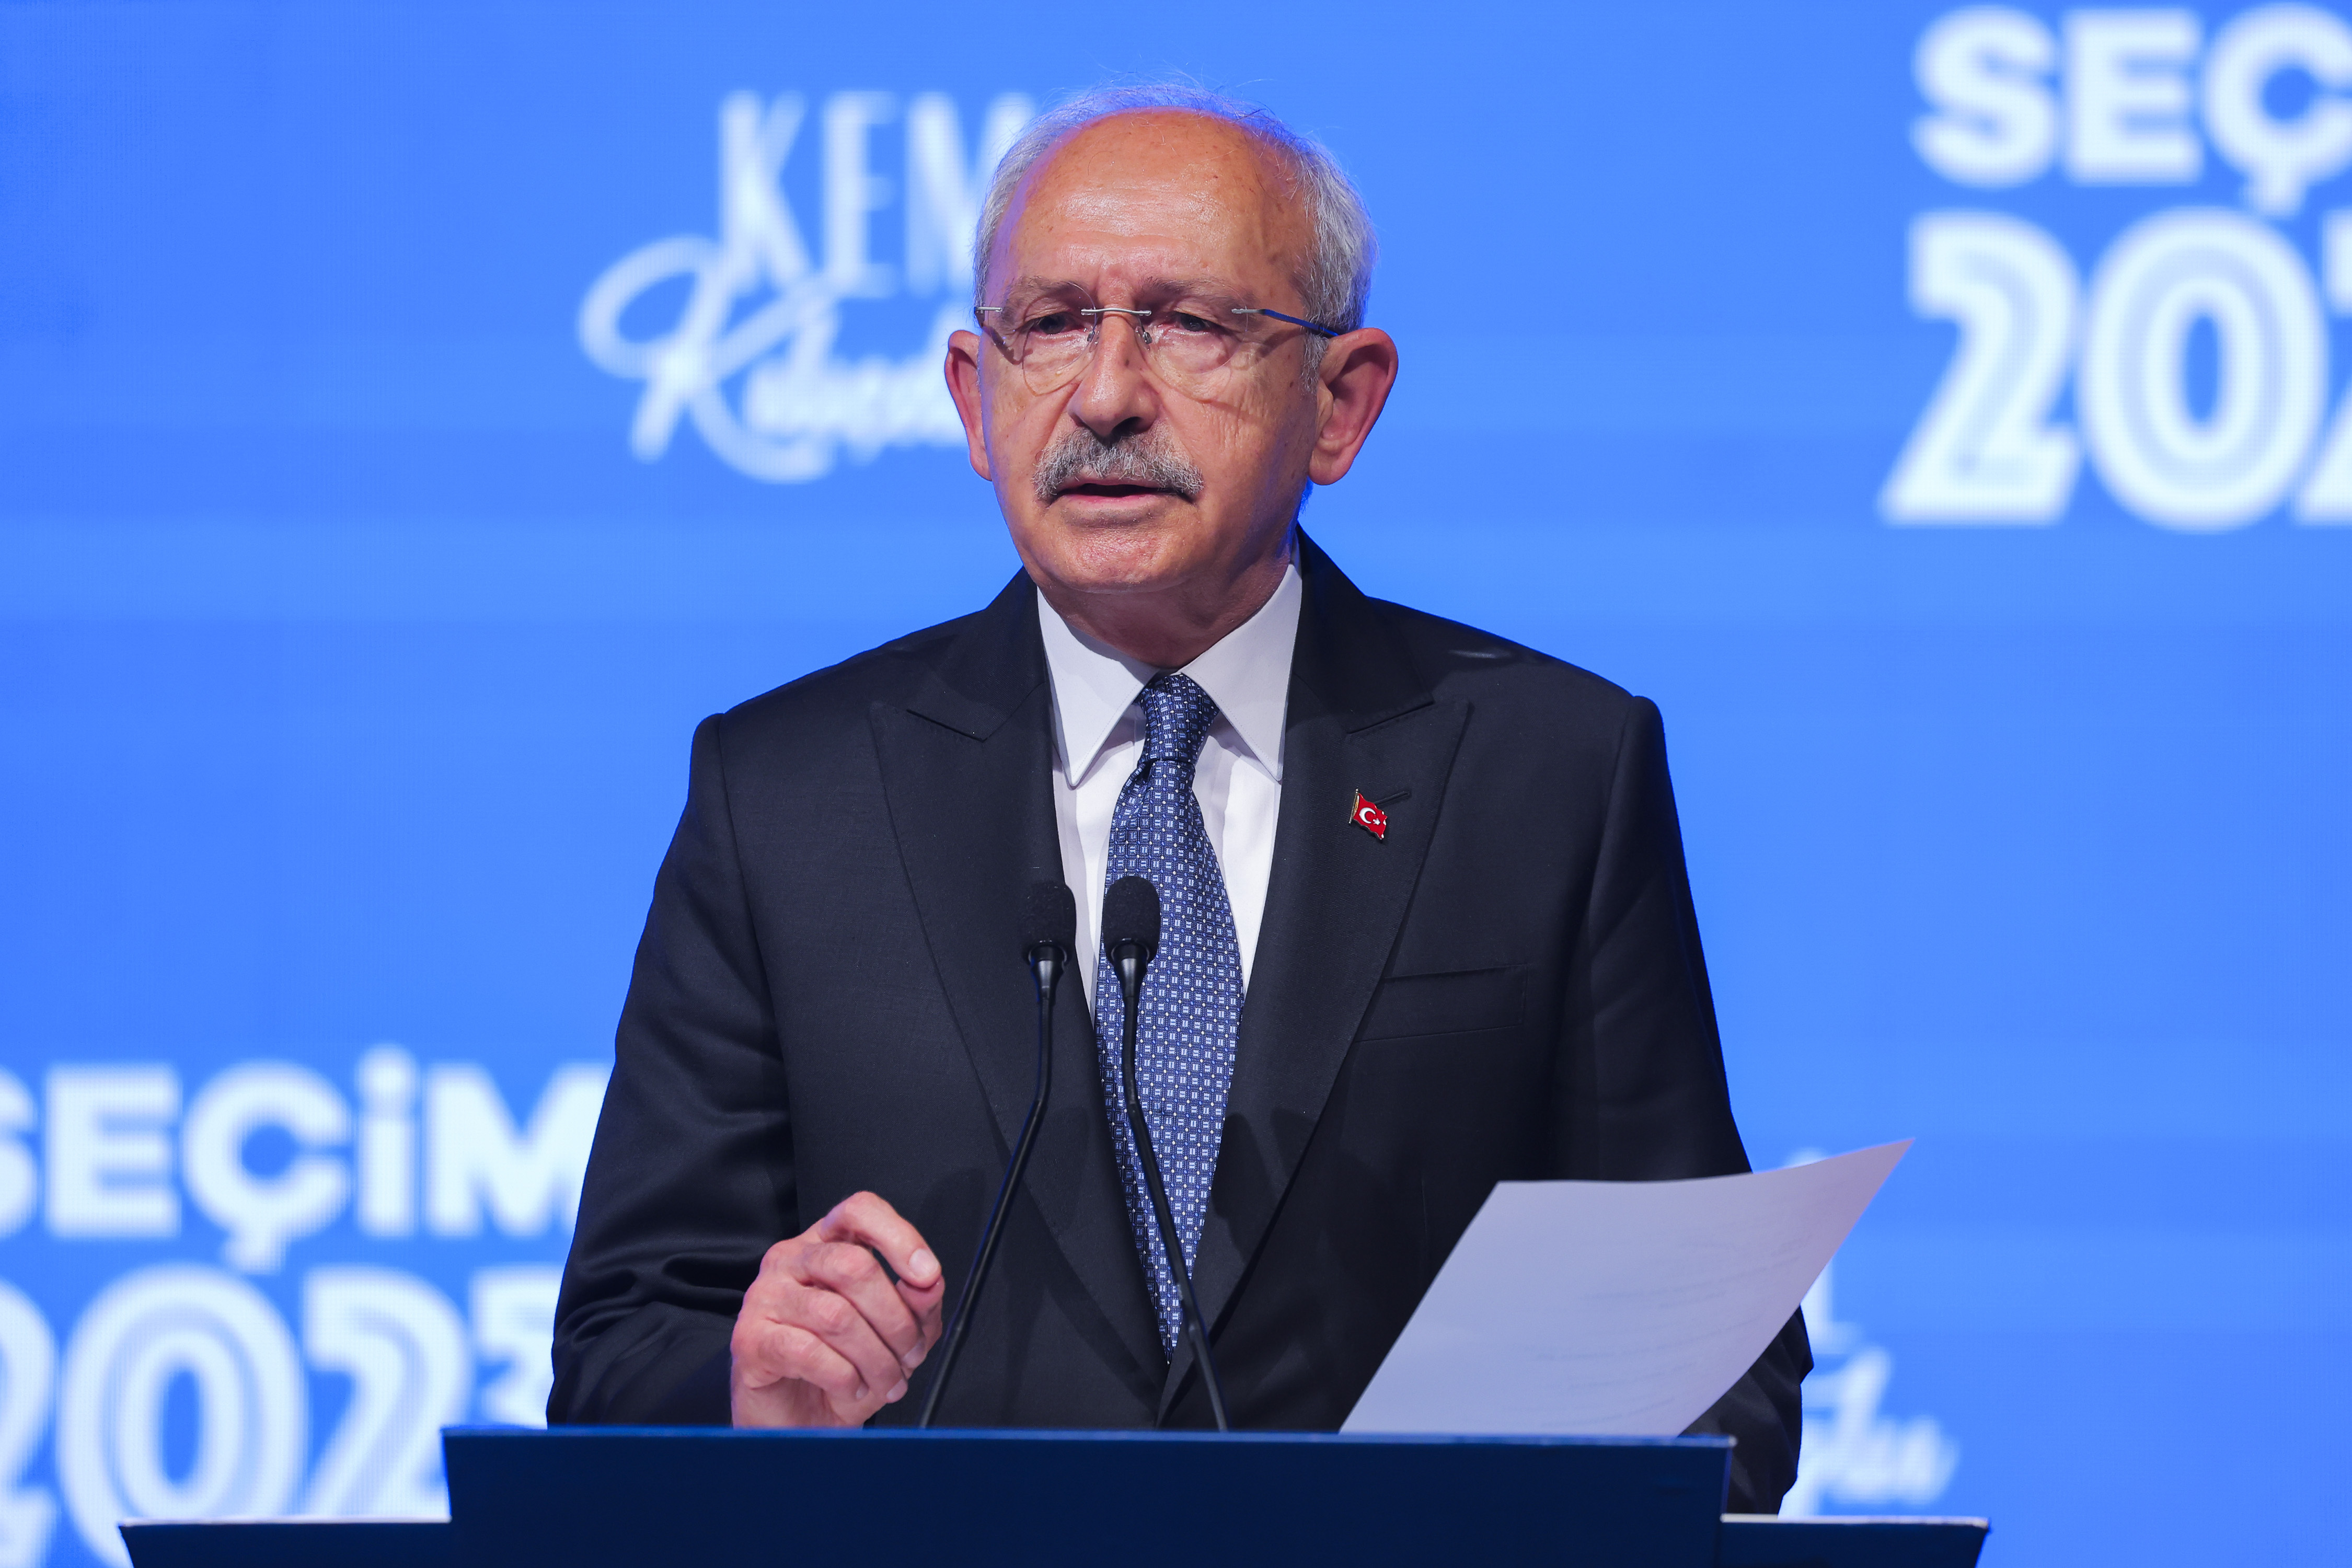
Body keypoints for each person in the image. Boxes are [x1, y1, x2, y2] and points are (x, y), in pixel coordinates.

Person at [549, 83, 1809, 1512]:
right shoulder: (788, 794)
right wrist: (753, 1388)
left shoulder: (1548, 772)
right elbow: (617, 1354)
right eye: (1050, 325)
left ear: (1341, 403)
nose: (1103, 396)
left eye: (1189, 324)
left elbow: (1716, 1369)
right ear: (972, 397)